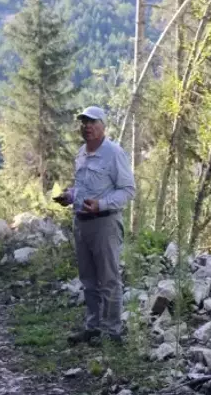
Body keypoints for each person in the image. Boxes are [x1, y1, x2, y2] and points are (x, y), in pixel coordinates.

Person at [53, 105, 136, 345]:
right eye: (84, 122)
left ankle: (112, 332)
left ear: (103, 126)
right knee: (88, 279)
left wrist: (100, 205)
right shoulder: (81, 153)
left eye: (92, 122)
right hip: (81, 222)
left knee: (109, 279)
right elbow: (83, 187)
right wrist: (70, 196)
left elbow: (128, 190)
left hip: (105, 223)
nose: (87, 126)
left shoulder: (114, 153)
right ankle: (93, 327)